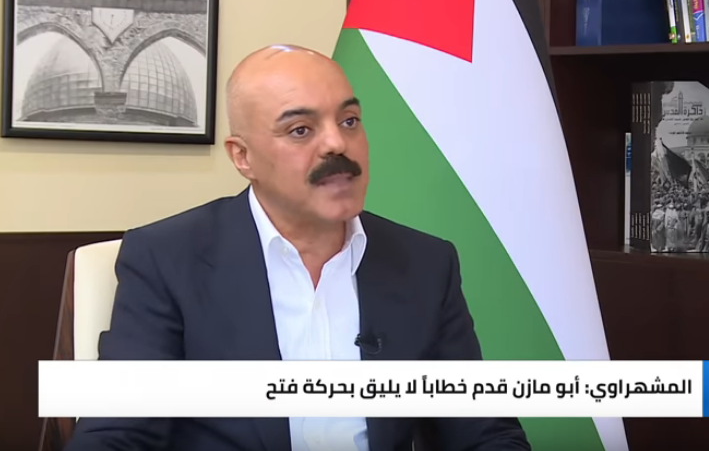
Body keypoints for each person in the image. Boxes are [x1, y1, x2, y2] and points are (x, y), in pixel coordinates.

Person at [63, 45, 530, 451]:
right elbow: (117, 432)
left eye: (349, 121)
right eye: (301, 130)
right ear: (243, 157)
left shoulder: (426, 264)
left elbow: (484, 431)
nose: (337, 144)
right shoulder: (167, 258)